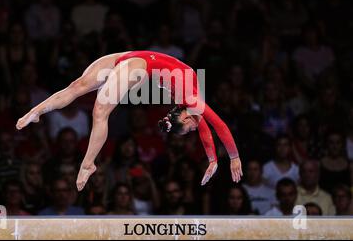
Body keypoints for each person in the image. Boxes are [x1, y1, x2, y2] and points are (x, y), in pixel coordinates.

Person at [16, 51, 243, 191]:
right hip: (137, 63)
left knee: (84, 94)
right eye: (190, 129)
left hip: (132, 58)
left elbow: (204, 128)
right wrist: (233, 158)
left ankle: (38, 113)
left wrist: (213, 160)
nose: (196, 128)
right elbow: (219, 126)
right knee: (92, 102)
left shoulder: (189, 106)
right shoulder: (192, 99)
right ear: (185, 116)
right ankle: (85, 160)